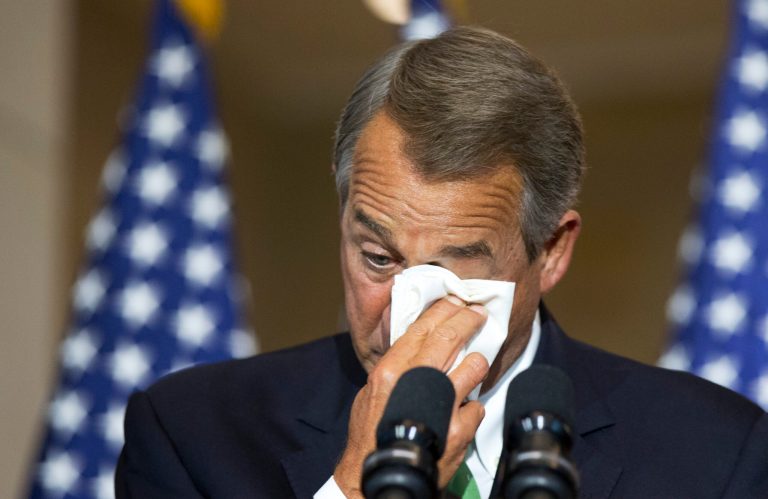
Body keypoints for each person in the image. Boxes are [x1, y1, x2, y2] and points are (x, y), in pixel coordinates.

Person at [115, 26, 768, 498]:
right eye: (378, 257)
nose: (407, 320)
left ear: (552, 251)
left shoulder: (716, 455)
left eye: (455, 276)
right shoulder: (193, 434)